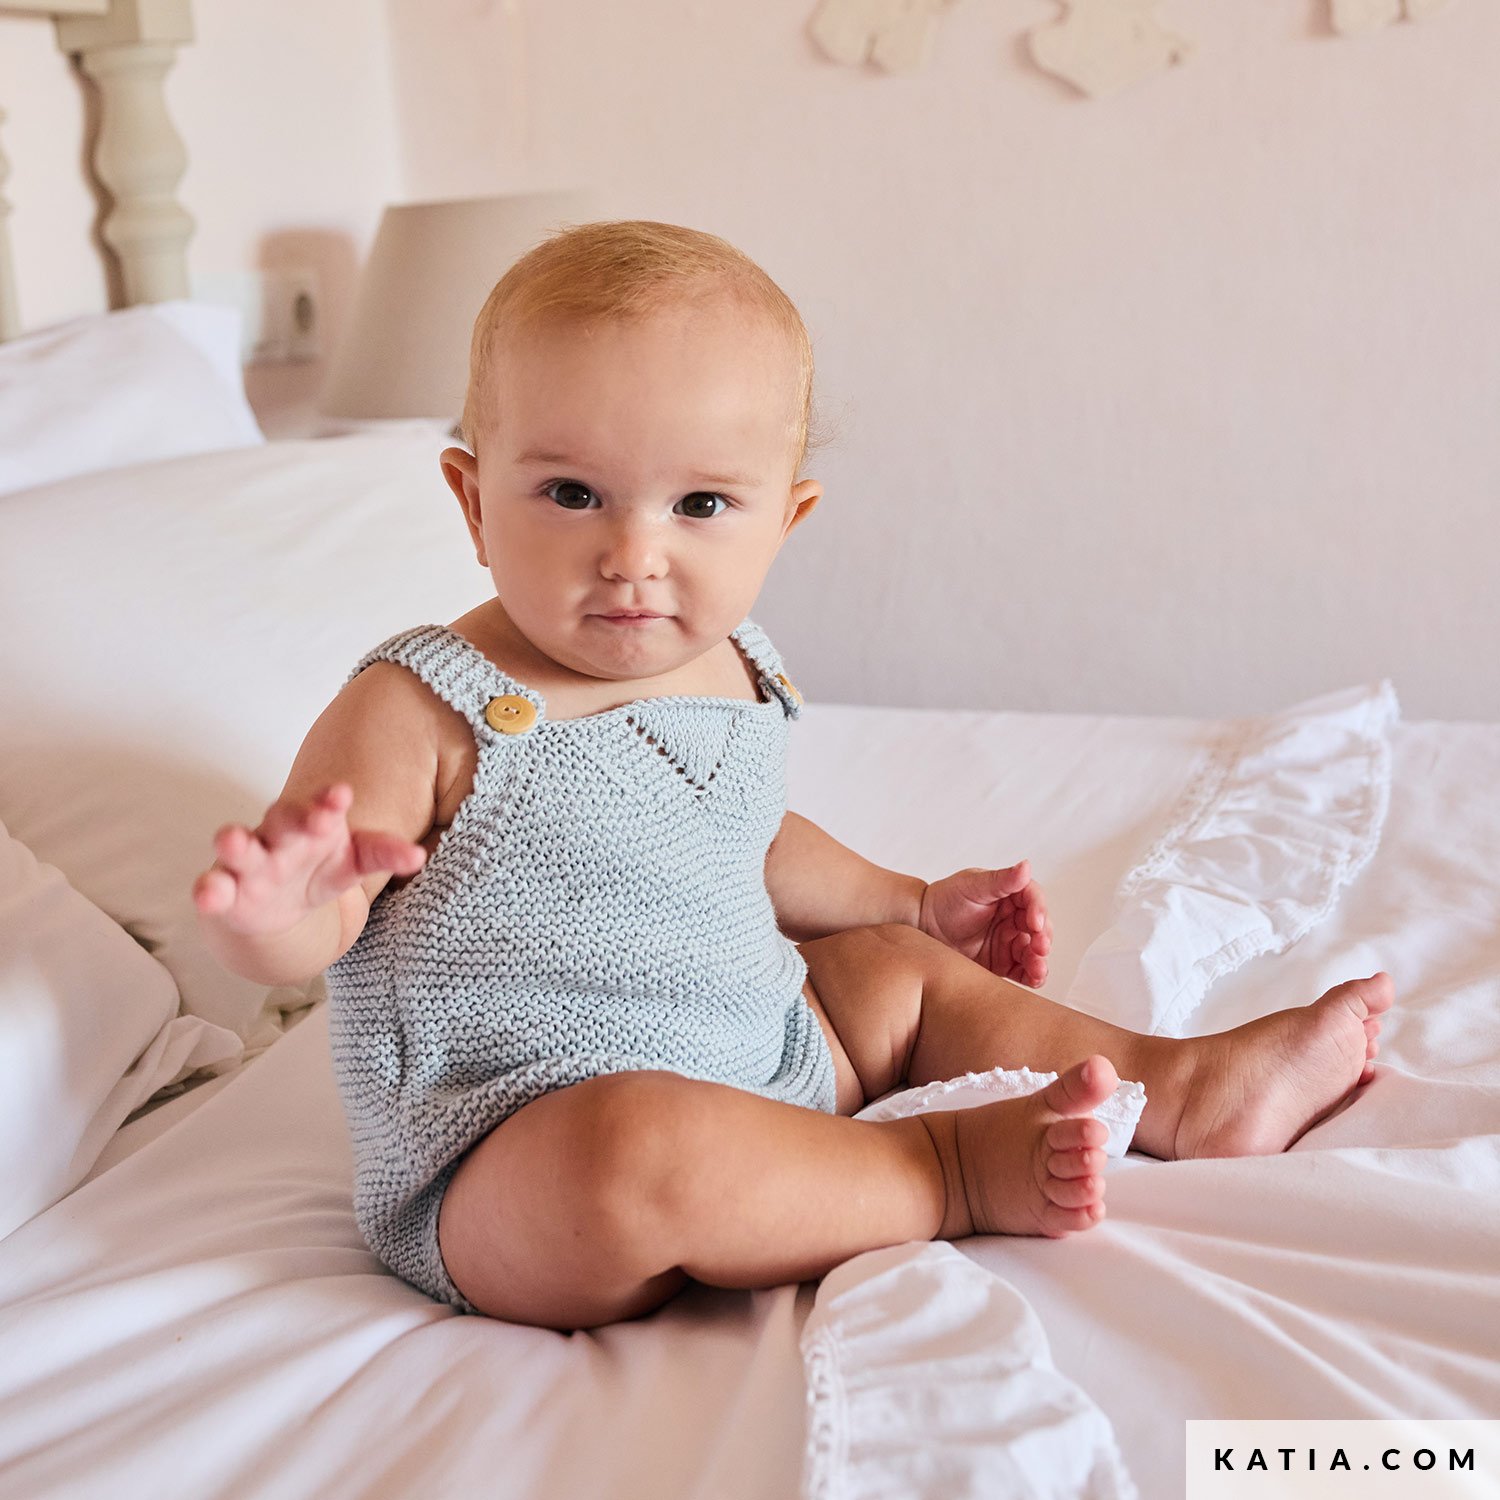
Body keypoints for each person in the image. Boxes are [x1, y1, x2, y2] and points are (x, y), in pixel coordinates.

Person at [192, 219, 1392, 1333]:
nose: (633, 554)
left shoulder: (730, 665)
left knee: (893, 977)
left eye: (701, 504)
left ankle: (1180, 1085)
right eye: (571, 495)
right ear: (471, 499)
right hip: (518, 1154)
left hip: (767, 1054)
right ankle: (944, 1168)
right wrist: (280, 911)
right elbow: (317, 927)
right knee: (637, 1147)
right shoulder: (422, 706)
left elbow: (745, 833)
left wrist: (907, 904)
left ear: (785, 519)